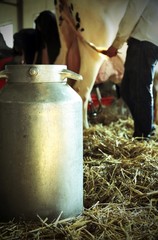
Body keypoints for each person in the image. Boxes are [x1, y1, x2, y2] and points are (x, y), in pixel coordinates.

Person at [103, 0, 158, 140]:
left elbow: (133, 12)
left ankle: (144, 134)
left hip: (144, 41)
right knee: (128, 89)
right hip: (146, 41)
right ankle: (143, 128)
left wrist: (116, 44)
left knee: (139, 89)